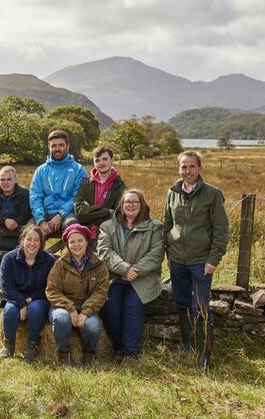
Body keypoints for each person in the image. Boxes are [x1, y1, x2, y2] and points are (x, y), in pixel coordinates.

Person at [163, 151, 229, 369]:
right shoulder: (173, 193)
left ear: (199, 169)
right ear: (178, 168)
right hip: (177, 260)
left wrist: (214, 258)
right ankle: (187, 347)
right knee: (181, 304)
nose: (187, 171)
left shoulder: (212, 194)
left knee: (200, 307)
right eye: (183, 167)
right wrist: (168, 254)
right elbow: (167, 225)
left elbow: (221, 230)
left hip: (201, 260)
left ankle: (205, 355)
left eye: (192, 167)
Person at [97, 189, 164, 362]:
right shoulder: (108, 226)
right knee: (110, 307)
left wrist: (135, 271)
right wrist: (124, 269)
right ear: (121, 205)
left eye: (135, 201)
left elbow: (156, 255)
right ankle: (118, 346)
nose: (131, 205)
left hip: (143, 278)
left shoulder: (154, 227)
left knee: (132, 306)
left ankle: (130, 352)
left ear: (142, 205)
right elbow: (105, 251)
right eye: (127, 201)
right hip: (116, 276)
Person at [46, 223, 109, 366]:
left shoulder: (99, 264)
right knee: (61, 318)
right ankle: (63, 353)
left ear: (87, 241)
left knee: (93, 327)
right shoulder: (60, 264)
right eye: (72, 241)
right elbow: (52, 290)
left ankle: (89, 353)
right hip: (62, 307)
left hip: (88, 309)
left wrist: (85, 312)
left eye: (80, 240)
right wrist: (71, 308)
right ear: (67, 244)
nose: (76, 245)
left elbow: (101, 292)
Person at [0, 226, 55, 362]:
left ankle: (32, 346)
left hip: (39, 297)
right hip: (15, 296)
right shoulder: (9, 258)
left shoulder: (49, 261)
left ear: (41, 243)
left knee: (35, 309)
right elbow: (6, 286)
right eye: (29, 239)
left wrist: (29, 300)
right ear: (22, 240)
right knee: (10, 310)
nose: (32, 243)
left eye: (36, 240)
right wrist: (21, 303)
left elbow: (50, 286)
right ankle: (9, 345)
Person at [29, 130, 87, 235]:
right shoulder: (41, 170)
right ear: (48, 146)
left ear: (68, 146)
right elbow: (35, 196)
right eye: (54, 146)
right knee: (28, 233)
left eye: (61, 145)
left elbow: (78, 197)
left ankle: (68, 252)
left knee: (74, 230)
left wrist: (60, 215)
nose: (57, 149)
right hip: (44, 213)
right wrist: (40, 220)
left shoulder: (78, 170)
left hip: (68, 214)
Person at [74, 144, 127, 245]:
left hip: (106, 239)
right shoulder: (85, 183)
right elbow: (80, 213)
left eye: (105, 159)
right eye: (97, 160)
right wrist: (107, 211)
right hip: (83, 236)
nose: (101, 163)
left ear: (112, 160)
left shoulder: (120, 187)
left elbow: (118, 215)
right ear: (94, 163)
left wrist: (90, 211)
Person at [0, 166, 31, 260]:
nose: (5, 183)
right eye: (2, 179)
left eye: (9, 179)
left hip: (21, 243)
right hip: (1, 242)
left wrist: (15, 222)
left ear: (15, 179)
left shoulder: (25, 193)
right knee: (2, 268)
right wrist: (4, 221)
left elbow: (27, 215)